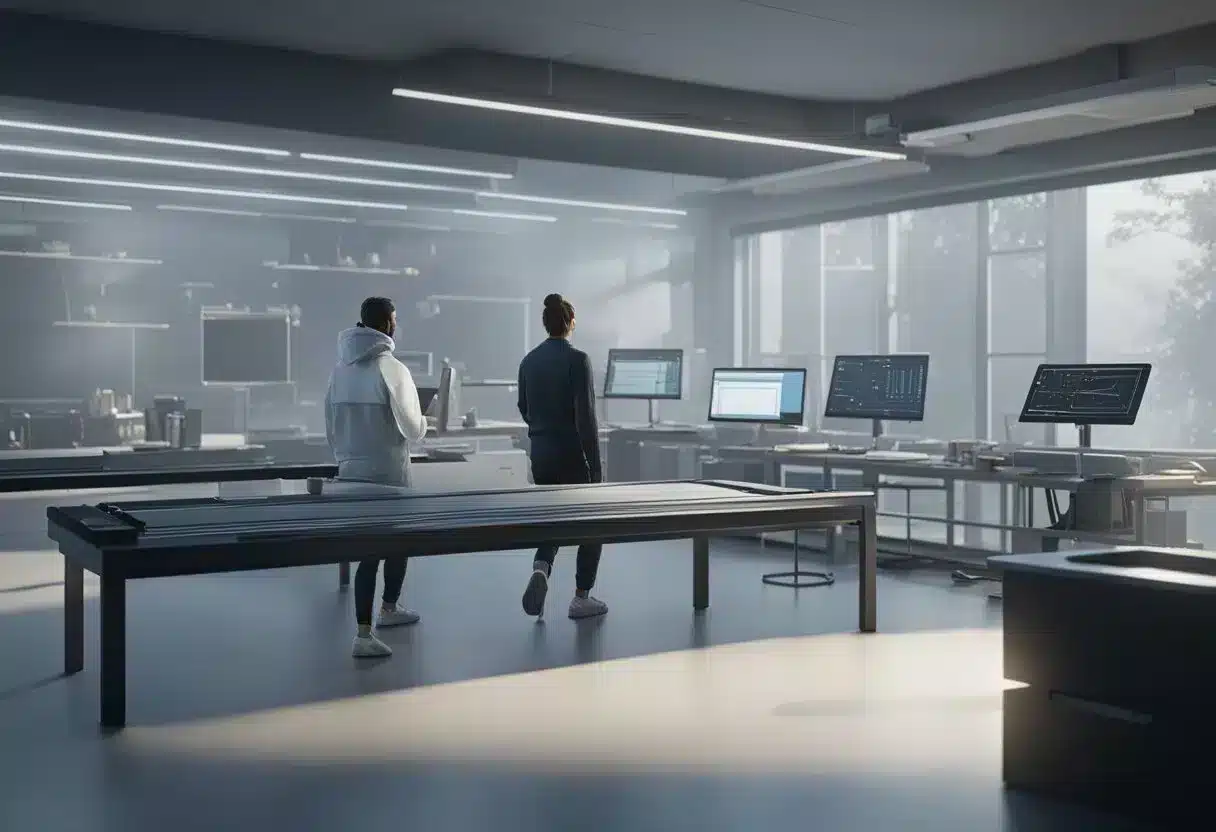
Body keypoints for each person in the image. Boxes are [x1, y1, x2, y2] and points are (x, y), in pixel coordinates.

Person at [325, 296, 429, 658]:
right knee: (397, 542)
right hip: (389, 473)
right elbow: (414, 430)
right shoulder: (392, 368)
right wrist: (426, 421)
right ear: (387, 323)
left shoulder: (339, 370)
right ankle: (382, 615)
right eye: (395, 319)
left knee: (366, 551)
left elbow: (330, 428)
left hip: (351, 472)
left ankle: (367, 627)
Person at [516, 293, 608, 620]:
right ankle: (582, 596)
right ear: (570, 323)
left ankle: (541, 568)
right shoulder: (578, 359)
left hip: (541, 454)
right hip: (572, 453)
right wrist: (595, 468)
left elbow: (524, 409)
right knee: (593, 524)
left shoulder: (528, 360)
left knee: (552, 517)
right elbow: (586, 417)